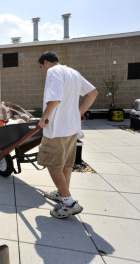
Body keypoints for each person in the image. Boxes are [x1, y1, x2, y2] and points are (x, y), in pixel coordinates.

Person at [37, 51, 98, 219]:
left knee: (52, 163)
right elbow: (93, 93)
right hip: (72, 128)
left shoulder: (53, 71)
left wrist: (44, 118)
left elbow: (55, 99)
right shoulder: (73, 72)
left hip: (56, 129)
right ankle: (62, 193)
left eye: (41, 66)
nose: (42, 70)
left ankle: (69, 203)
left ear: (46, 62)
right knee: (65, 164)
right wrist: (79, 113)